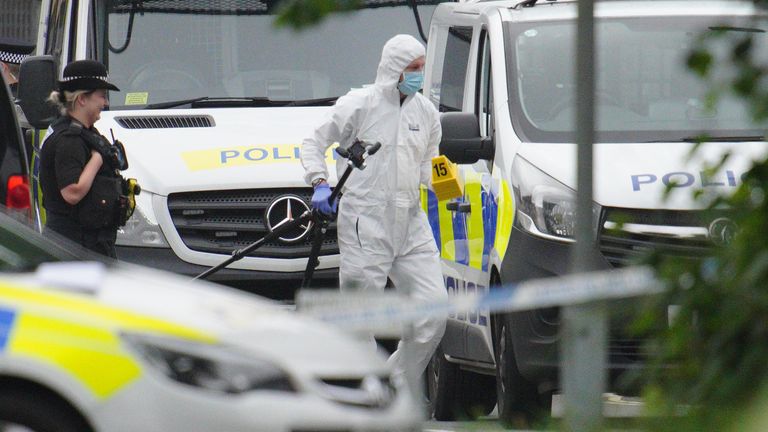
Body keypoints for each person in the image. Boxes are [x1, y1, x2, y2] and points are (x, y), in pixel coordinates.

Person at [301, 34, 447, 382]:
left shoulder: (426, 113)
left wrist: (447, 187)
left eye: (422, 68)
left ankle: (391, 384)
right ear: (394, 69)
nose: (418, 75)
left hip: (410, 223)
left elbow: (431, 164)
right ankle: (367, 396)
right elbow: (313, 142)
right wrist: (319, 183)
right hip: (365, 222)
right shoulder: (359, 104)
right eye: (413, 68)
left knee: (434, 311)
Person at [39, 60, 124, 257]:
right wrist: (97, 160)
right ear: (82, 99)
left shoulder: (85, 134)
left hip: (88, 246)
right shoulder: (70, 140)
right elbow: (72, 192)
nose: (105, 103)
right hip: (74, 249)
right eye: (101, 96)